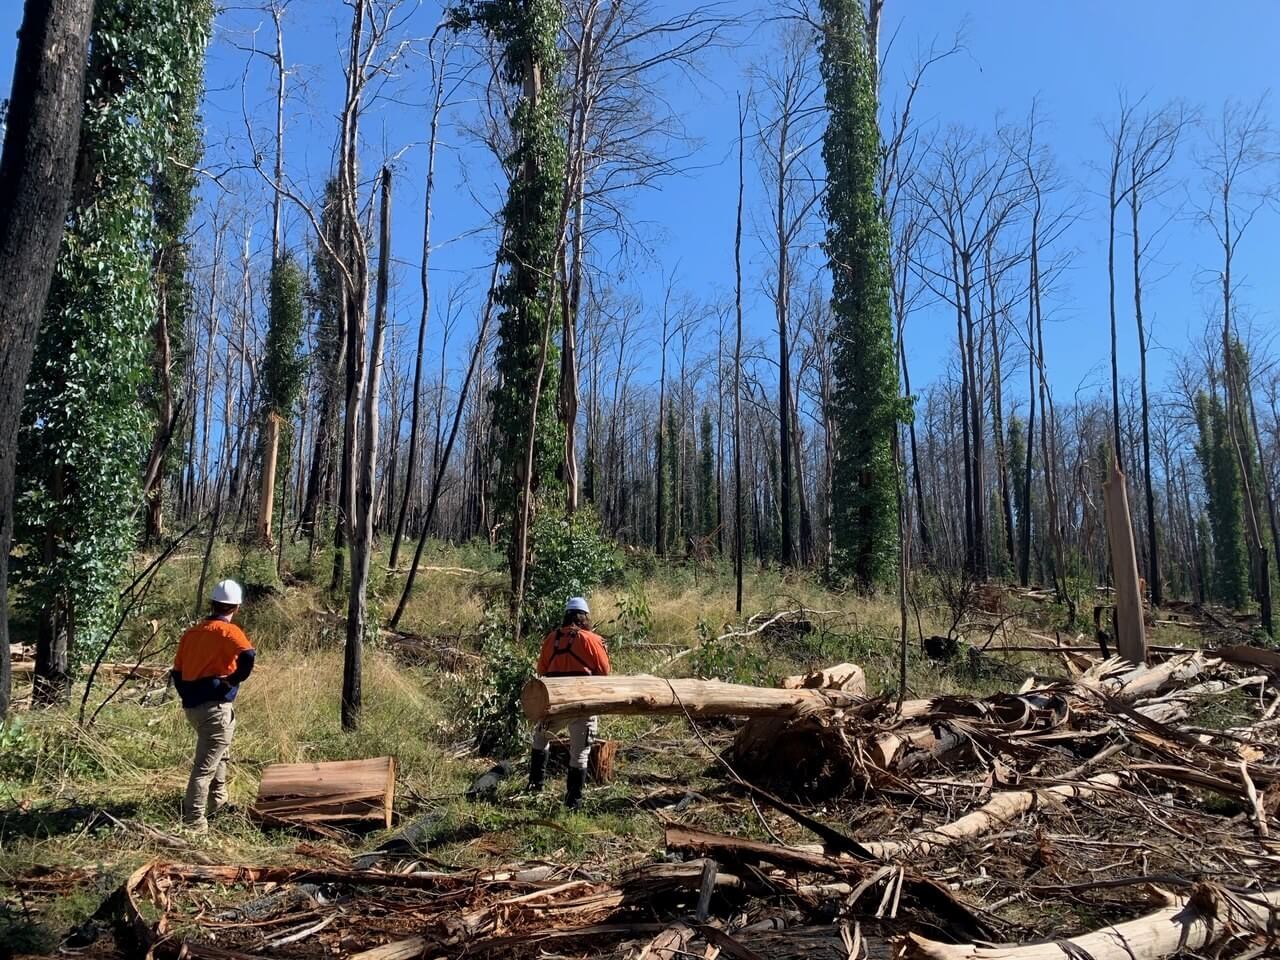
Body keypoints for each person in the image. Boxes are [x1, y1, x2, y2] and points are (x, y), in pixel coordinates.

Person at [171, 579, 256, 833]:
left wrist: (189, 695)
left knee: (219, 754)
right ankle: (194, 823)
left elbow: (177, 672)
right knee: (204, 769)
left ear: (212, 603)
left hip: (194, 709)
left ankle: (218, 805)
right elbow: (249, 655)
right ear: (236, 608)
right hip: (216, 709)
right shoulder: (230, 632)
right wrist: (233, 680)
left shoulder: (192, 633)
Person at [529, 597, 609, 808]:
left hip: (555, 704)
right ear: (585, 617)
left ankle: (535, 786)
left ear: (566, 616)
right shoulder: (592, 640)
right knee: (580, 754)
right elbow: (604, 672)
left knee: (539, 739)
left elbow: (541, 671)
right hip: (584, 703)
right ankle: (573, 802)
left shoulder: (551, 638)